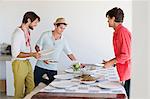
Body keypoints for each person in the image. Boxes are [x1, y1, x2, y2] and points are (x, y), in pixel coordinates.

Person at [34, 17, 77, 87]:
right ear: (55, 26)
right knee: (35, 87)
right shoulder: (45, 34)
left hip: (53, 68)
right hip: (40, 66)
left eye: (64, 28)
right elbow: (37, 47)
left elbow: (69, 54)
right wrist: (43, 57)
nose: (62, 30)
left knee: (52, 88)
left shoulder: (64, 40)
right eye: (61, 28)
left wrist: (77, 64)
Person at [103, 7, 131, 98]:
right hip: (123, 72)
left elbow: (126, 55)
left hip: (128, 73)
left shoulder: (122, 32)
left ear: (113, 18)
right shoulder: (117, 32)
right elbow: (121, 54)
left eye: (108, 18)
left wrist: (111, 62)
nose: (107, 21)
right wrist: (110, 62)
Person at [11, 11, 41, 98]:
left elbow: (27, 47)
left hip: (26, 62)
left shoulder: (27, 31)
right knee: (19, 90)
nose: (36, 25)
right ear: (28, 20)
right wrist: (32, 54)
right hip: (18, 63)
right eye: (35, 22)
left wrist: (35, 53)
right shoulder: (18, 33)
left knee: (31, 87)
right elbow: (16, 54)